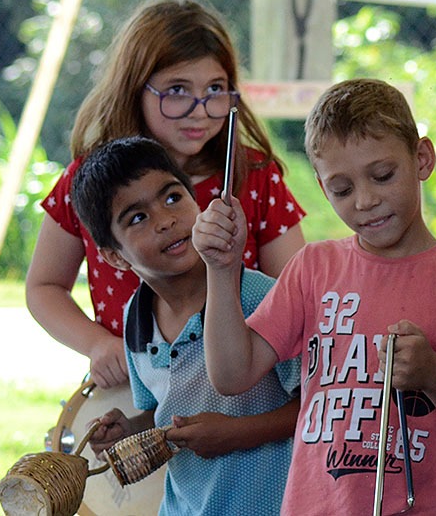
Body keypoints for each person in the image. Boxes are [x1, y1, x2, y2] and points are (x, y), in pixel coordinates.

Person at [192, 78, 436, 515]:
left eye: (383, 175)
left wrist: (435, 376)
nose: (365, 201)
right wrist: (222, 269)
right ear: (324, 190)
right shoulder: (312, 268)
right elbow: (232, 375)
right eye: (342, 189)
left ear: (422, 158)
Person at [26, 0, 307, 388]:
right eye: (177, 90)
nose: (199, 109)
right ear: (134, 88)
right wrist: (98, 345)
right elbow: (44, 286)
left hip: (243, 395)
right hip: (132, 388)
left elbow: (296, 298)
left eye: (215, 89)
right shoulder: (86, 181)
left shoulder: (254, 175)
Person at [70, 135, 299, 516]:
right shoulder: (136, 318)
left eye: (173, 198)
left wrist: (236, 434)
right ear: (114, 257)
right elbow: (162, 411)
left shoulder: (261, 298)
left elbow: (316, 405)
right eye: (138, 218)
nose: (166, 221)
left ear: (197, 200)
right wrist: (131, 429)